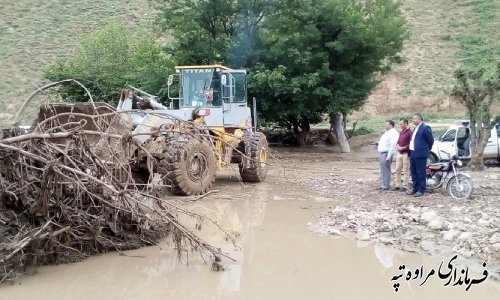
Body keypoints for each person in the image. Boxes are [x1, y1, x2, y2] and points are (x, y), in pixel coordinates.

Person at [407, 113, 434, 197]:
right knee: (413, 171)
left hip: (421, 153)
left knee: (420, 172)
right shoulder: (415, 128)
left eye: (414, 118)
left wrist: (425, 149)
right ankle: (415, 188)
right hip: (413, 153)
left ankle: (421, 189)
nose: (413, 120)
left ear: (419, 119)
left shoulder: (425, 128)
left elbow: (430, 140)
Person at [377, 120, 399, 190]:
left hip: (386, 153)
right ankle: (383, 184)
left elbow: (393, 145)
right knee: (383, 169)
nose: (385, 125)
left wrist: (389, 155)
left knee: (386, 169)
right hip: (383, 152)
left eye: (387, 124)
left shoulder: (393, 133)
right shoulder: (387, 132)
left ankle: (386, 185)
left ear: (391, 125)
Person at [392, 118, 412, 191]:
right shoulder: (401, 132)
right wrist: (397, 146)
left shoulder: (410, 132)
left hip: (405, 153)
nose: (400, 125)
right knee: (397, 169)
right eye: (400, 124)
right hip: (399, 153)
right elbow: (398, 141)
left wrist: (404, 147)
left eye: (401, 124)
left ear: (406, 124)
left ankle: (405, 185)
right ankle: (397, 184)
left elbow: (411, 143)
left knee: (405, 170)